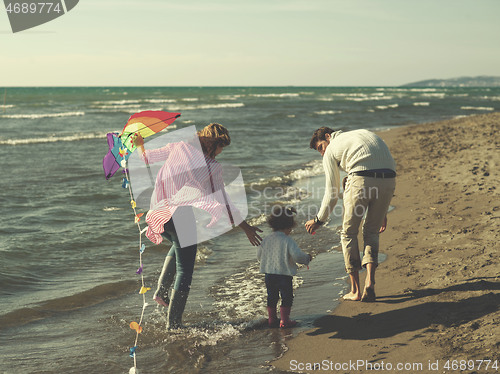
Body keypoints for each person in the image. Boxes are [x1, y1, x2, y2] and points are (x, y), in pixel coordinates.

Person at [135, 123, 262, 329]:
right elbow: (224, 199)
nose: (221, 152)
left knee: (178, 245)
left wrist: (140, 145)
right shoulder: (212, 167)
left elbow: (146, 158)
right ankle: (173, 325)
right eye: (221, 146)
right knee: (185, 271)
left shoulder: (178, 146)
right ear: (214, 144)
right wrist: (245, 226)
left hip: (158, 211)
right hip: (181, 215)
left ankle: (161, 291)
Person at [305, 127, 396, 302]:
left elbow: (331, 193)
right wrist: (383, 211)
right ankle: (370, 281)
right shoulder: (362, 134)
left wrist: (319, 219)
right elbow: (380, 166)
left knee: (348, 233)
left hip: (361, 180)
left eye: (320, 148)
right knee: (371, 232)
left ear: (328, 137)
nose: (323, 154)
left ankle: (355, 290)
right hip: (389, 180)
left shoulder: (332, 148)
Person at [257, 206, 312, 328]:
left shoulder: (266, 239)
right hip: (284, 275)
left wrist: (270, 260)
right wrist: (307, 258)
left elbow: (259, 256)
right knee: (287, 297)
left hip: (269, 275)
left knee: (272, 297)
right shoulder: (288, 240)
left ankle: (272, 319)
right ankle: (285, 321)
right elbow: (297, 256)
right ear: (289, 226)